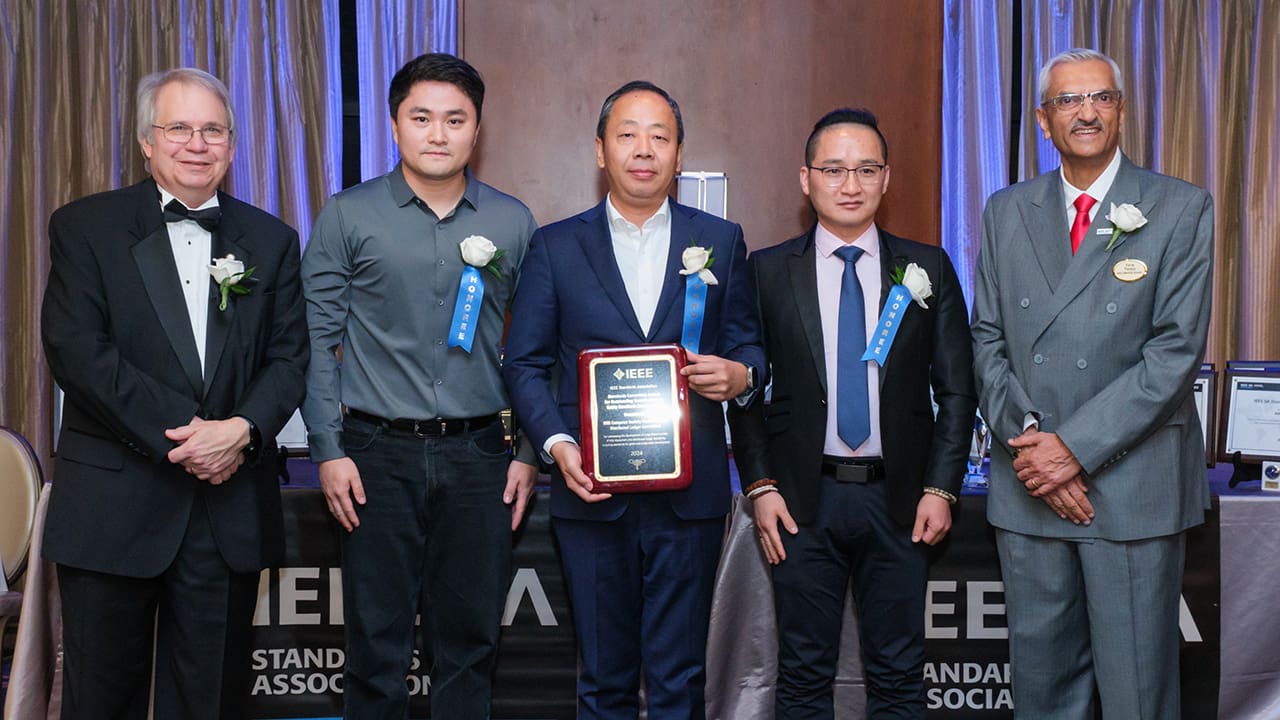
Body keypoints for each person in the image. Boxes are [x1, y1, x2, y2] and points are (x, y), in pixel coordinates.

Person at [40, 67, 308, 719]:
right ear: (146, 142)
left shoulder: (271, 242)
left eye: (212, 129)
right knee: (101, 699)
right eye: (178, 127)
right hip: (114, 502)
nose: (197, 142)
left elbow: (290, 358)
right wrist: (192, 437)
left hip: (226, 509)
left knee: (211, 700)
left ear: (233, 145)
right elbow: (79, 353)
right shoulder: (85, 227)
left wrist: (240, 430)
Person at [502, 80, 764, 719]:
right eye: (627, 134)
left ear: (679, 154)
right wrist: (557, 445)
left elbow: (751, 349)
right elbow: (526, 363)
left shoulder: (721, 240)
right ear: (600, 151)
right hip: (591, 493)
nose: (643, 149)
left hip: (689, 497)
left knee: (681, 681)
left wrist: (741, 378)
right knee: (603, 681)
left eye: (660, 136)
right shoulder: (556, 245)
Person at [971, 48, 1214, 718]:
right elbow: (986, 342)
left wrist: (1070, 450)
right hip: (1030, 491)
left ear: (1122, 111)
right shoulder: (1005, 210)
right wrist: (1032, 443)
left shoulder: (1179, 207)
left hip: (1132, 491)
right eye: (1068, 101)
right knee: (1043, 696)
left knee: (1138, 697)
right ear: (1044, 121)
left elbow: (1173, 353)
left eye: (1100, 97)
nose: (1085, 111)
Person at [301, 53, 539, 718]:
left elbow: (533, 350)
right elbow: (317, 339)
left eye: (455, 119)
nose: (438, 134)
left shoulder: (513, 223)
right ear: (396, 125)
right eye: (422, 117)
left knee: (468, 645)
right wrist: (328, 447)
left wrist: (527, 453)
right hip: (374, 452)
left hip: (481, 456)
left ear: (477, 129)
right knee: (375, 648)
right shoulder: (348, 216)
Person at [728, 108, 976, 718]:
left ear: (887, 179)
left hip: (900, 502)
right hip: (801, 502)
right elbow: (745, 389)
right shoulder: (765, 271)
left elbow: (958, 391)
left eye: (866, 169)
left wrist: (942, 487)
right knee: (804, 675)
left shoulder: (929, 268)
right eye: (834, 169)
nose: (850, 184)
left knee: (898, 676)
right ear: (805, 178)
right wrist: (760, 485)